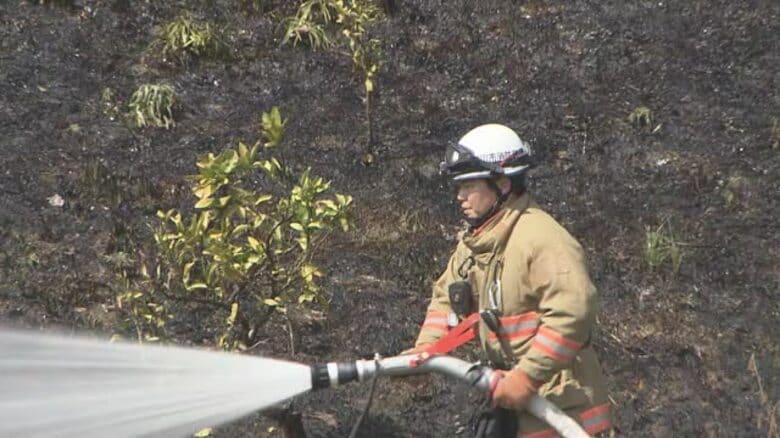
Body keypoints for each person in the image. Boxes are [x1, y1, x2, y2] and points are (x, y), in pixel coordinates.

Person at [405, 124, 612, 437]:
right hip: (516, 401)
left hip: (562, 408)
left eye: (469, 185)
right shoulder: (478, 243)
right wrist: (427, 349)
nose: (459, 195)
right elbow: (446, 297)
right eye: (458, 186)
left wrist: (527, 377)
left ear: (502, 184)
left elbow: (574, 311)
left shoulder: (541, 239)